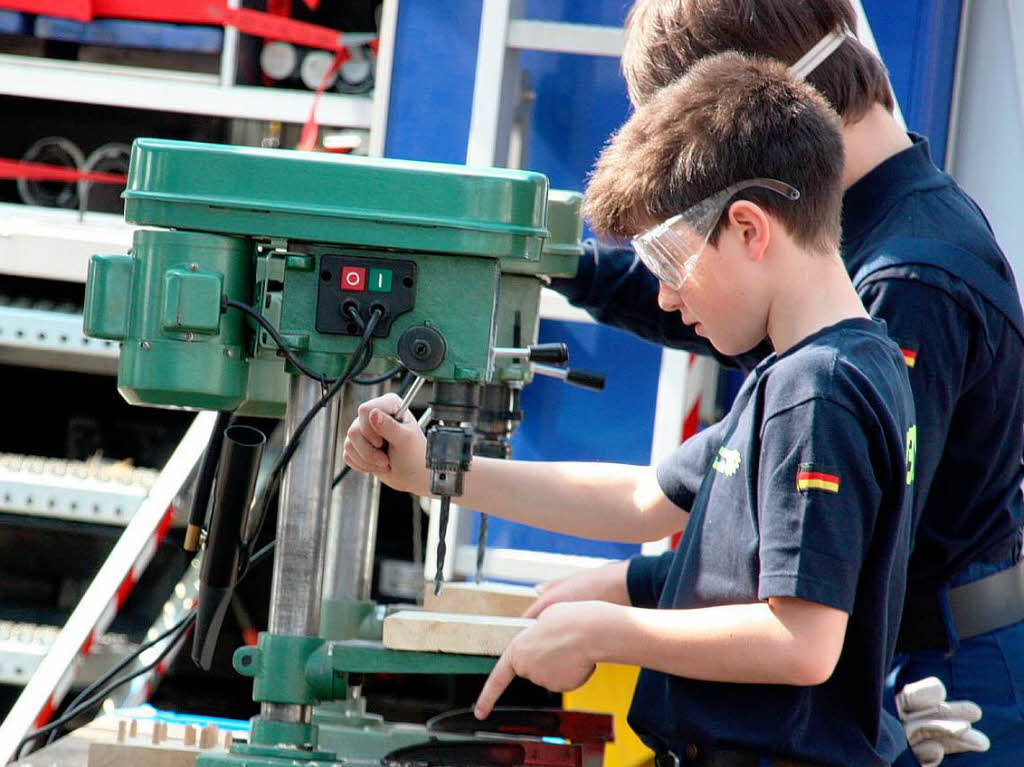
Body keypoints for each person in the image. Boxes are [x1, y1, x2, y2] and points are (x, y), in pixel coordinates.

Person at [346, 52, 918, 767]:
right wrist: (437, 471)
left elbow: (802, 642)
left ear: (748, 228)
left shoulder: (817, 390)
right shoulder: (827, 367)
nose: (668, 299)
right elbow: (647, 495)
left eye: (672, 264)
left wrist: (605, 630)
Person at [543, 3, 1024, 764]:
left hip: (944, 671)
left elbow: (843, 560)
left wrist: (622, 598)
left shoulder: (910, 280)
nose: (674, 288)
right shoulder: (857, 238)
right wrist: (560, 260)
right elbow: (705, 296)